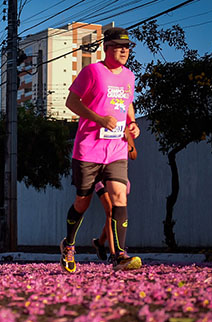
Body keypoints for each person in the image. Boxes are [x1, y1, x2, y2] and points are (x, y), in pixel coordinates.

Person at [60, 27, 141, 273]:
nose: (124, 51)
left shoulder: (129, 76)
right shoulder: (93, 71)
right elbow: (71, 102)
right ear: (106, 48)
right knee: (82, 202)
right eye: (119, 46)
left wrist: (133, 124)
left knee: (119, 196)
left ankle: (120, 256)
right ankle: (69, 244)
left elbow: (128, 104)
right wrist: (98, 118)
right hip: (88, 149)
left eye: (127, 47)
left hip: (116, 149)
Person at [92, 128, 137, 261]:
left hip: (118, 175)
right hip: (99, 176)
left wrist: (127, 145)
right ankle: (114, 253)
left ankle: (100, 243)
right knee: (110, 211)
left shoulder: (125, 130)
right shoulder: (100, 126)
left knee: (114, 214)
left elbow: (134, 155)